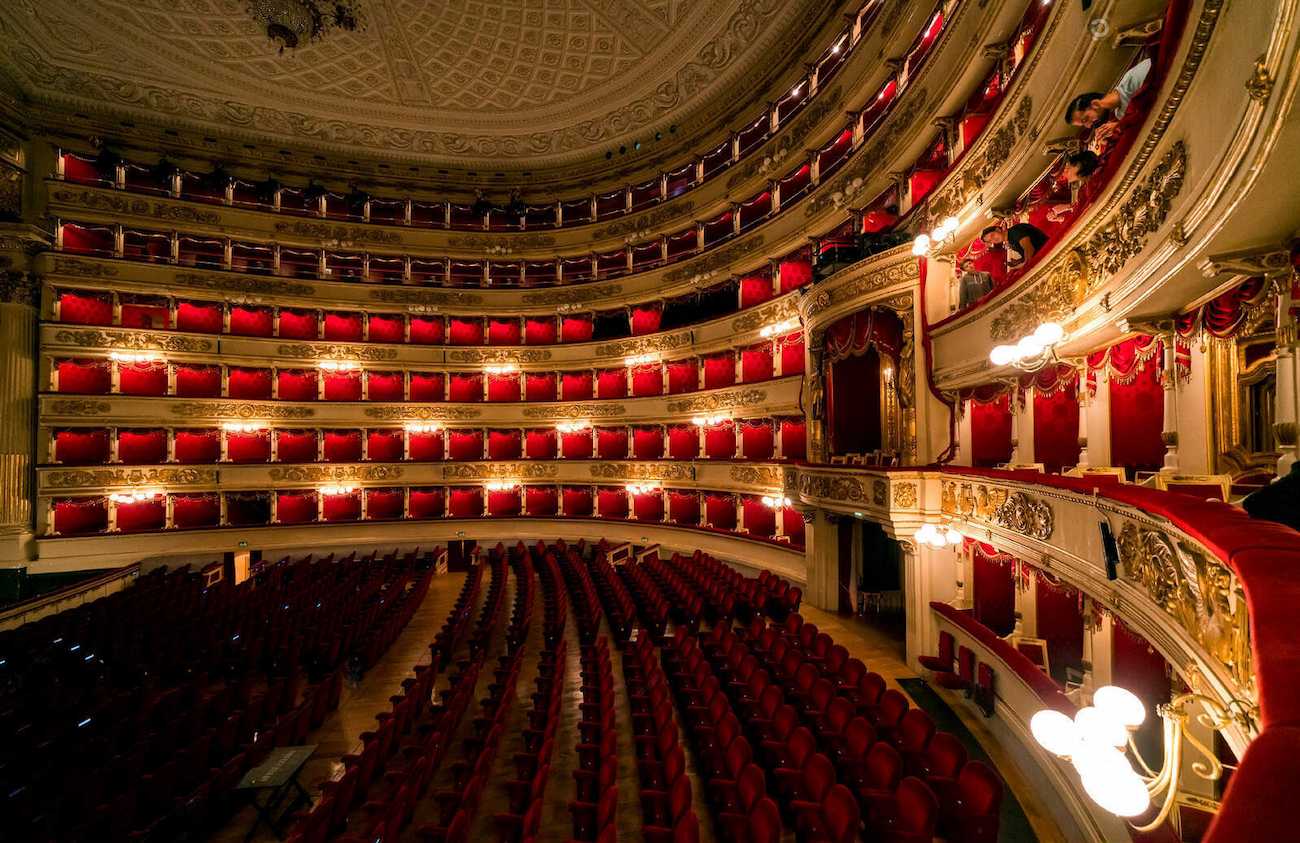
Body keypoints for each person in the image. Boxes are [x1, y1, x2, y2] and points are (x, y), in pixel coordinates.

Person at [1064, 57, 1152, 142]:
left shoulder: (1133, 79)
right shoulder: (1119, 114)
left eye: (1085, 119)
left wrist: (1121, 124)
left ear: (1095, 104)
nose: (1089, 126)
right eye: (1084, 125)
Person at [1047, 150, 1101, 223]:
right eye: (1070, 164)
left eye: (1070, 167)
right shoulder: (1062, 168)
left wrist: (1060, 214)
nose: (1066, 169)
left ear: (1081, 175)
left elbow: (1077, 209)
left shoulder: (1083, 190)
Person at [982, 221, 1048, 268]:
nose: (994, 240)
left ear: (998, 230)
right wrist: (1019, 261)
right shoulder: (1009, 239)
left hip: (1047, 252)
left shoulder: (1014, 231)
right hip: (1041, 257)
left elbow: (1030, 250)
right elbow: (1030, 251)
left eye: (992, 235)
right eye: (990, 241)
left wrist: (1022, 267)